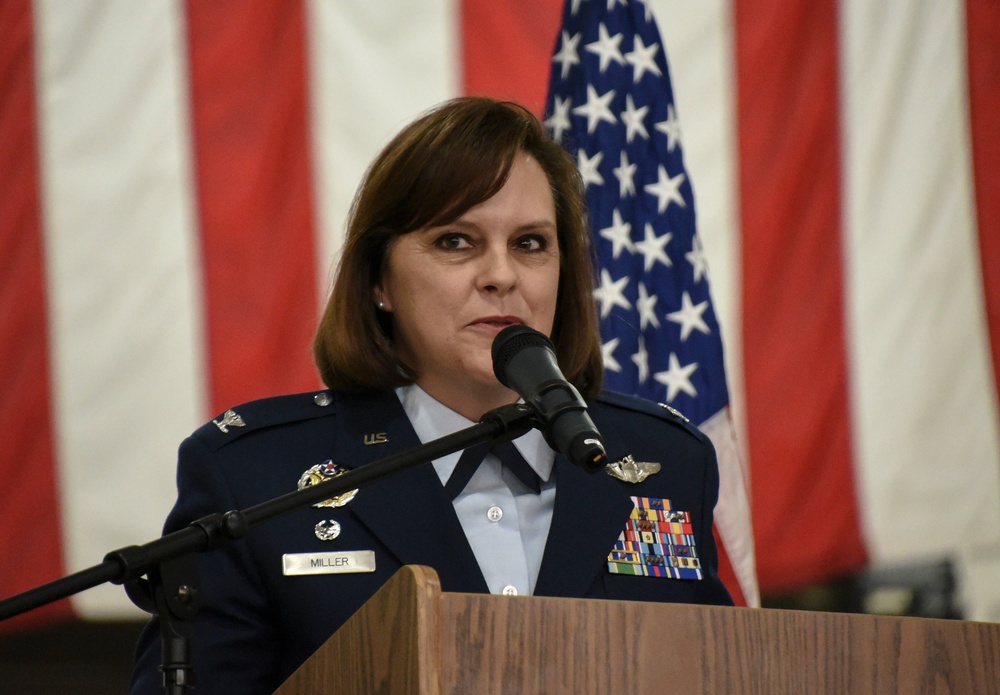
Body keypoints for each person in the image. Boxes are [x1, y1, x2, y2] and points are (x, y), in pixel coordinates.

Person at [129, 97, 732, 694]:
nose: (502, 275)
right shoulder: (256, 477)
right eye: (456, 241)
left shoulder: (666, 462)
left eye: (529, 243)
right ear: (380, 282)